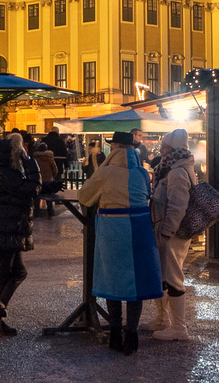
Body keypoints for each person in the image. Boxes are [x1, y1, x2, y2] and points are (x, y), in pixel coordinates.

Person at [78, 131, 163, 355]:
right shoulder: (143, 172)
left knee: (112, 282)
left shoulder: (105, 172)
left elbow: (84, 197)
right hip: (140, 228)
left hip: (112, 229)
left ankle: (115, 333)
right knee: (136, 284)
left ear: (114, 147)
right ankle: (131, 335)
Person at [0, 134, 40, 336]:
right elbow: (29, 189)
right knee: (10, 272)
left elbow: (21, 189)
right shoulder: (7, 173)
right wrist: (31, 165)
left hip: (4, 226)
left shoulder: (1, 170)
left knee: (8, 272)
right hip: (5, 227)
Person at [147, 128, 198, 342]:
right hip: (164, 229)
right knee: (163, 276)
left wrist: (167, 230)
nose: (161, 149)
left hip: (171, 233)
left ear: (173, 148)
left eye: (164, 146)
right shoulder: (169, 168)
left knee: (174, 278)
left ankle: (179, 327)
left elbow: (178, 205)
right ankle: (162, 320)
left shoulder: (177, 172)